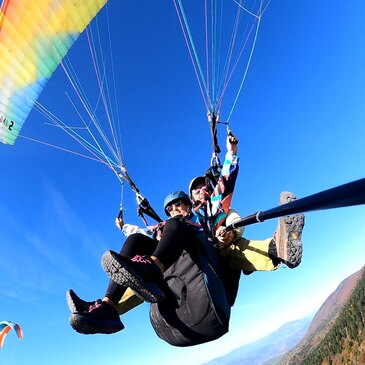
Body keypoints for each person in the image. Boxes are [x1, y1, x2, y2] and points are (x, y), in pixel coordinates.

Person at [68, 191, 214, 334]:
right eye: (170, 209)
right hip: (167, 260)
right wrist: (123, 227)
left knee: (176, 223)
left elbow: (220, 206)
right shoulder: (165, 227)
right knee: (135, 239)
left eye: (178, 205)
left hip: (192, 249)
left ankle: (151, 268)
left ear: (188, 206)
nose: (174, 210)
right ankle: (107, 306)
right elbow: (142, 232)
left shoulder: (199, 216)